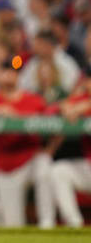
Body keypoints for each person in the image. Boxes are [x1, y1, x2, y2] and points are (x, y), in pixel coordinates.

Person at [0, 58, 55, 228]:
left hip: (31, 159)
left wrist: (50, 148)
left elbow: (57, 123)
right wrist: (2, 110)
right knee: (12, 224)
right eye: (6, 70)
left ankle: (47, 222)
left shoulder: (33, 100)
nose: (10, 75)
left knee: (45, 166)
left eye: (14, 71)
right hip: (5, 166)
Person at [51, 77, 91, 227]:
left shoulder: (85, 102)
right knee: (59, 170)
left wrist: (84, 106)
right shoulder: (81, 99)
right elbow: (52, 109)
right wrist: (67, 106)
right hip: (89, 167)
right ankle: (74, 224)